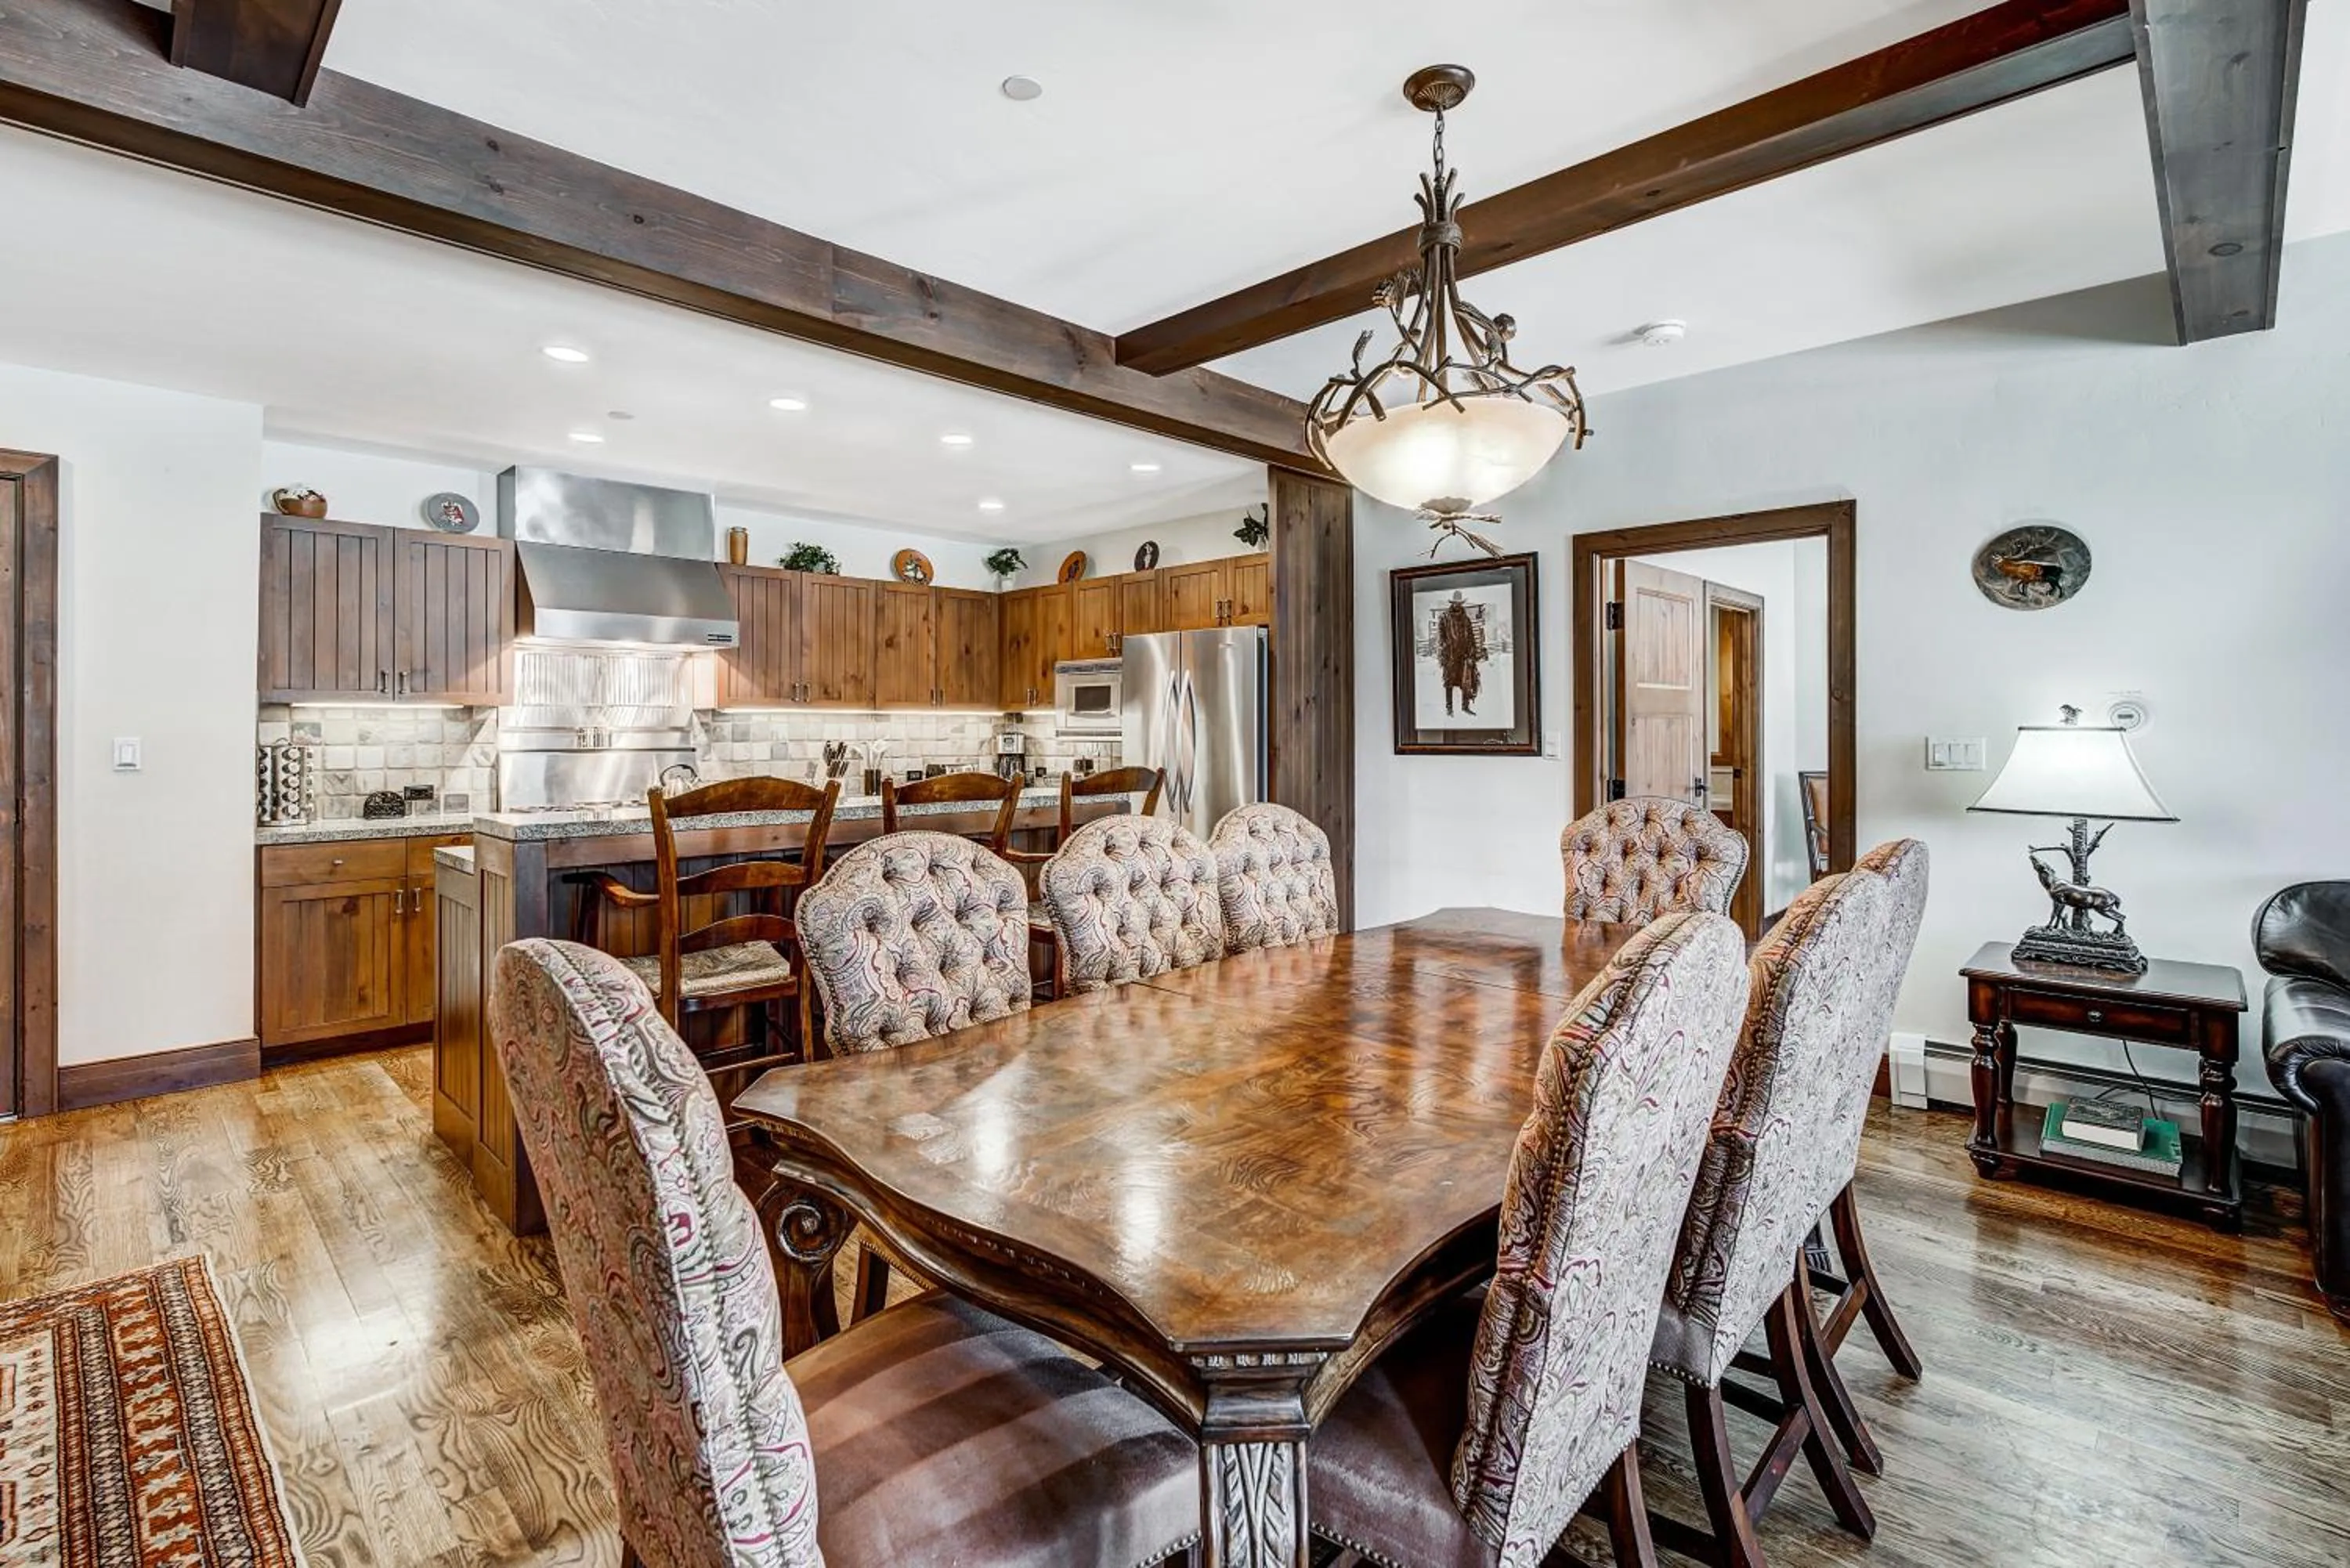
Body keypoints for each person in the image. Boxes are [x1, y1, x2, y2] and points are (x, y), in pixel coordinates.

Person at [1435, 590, 1487, 717]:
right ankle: (1449, 708)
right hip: (1451, 655)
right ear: (1452, 603)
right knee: (1449, 682)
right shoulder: (1445, 618)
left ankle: (1465, 706)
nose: (1457, 605)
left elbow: (1471, 638)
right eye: (1455, 603)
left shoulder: (1466, 619)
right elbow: (1441, 637)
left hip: (1464, 656)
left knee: (1466, 681)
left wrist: (1472, 654)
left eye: (1459, 603)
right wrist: (1445, 649)